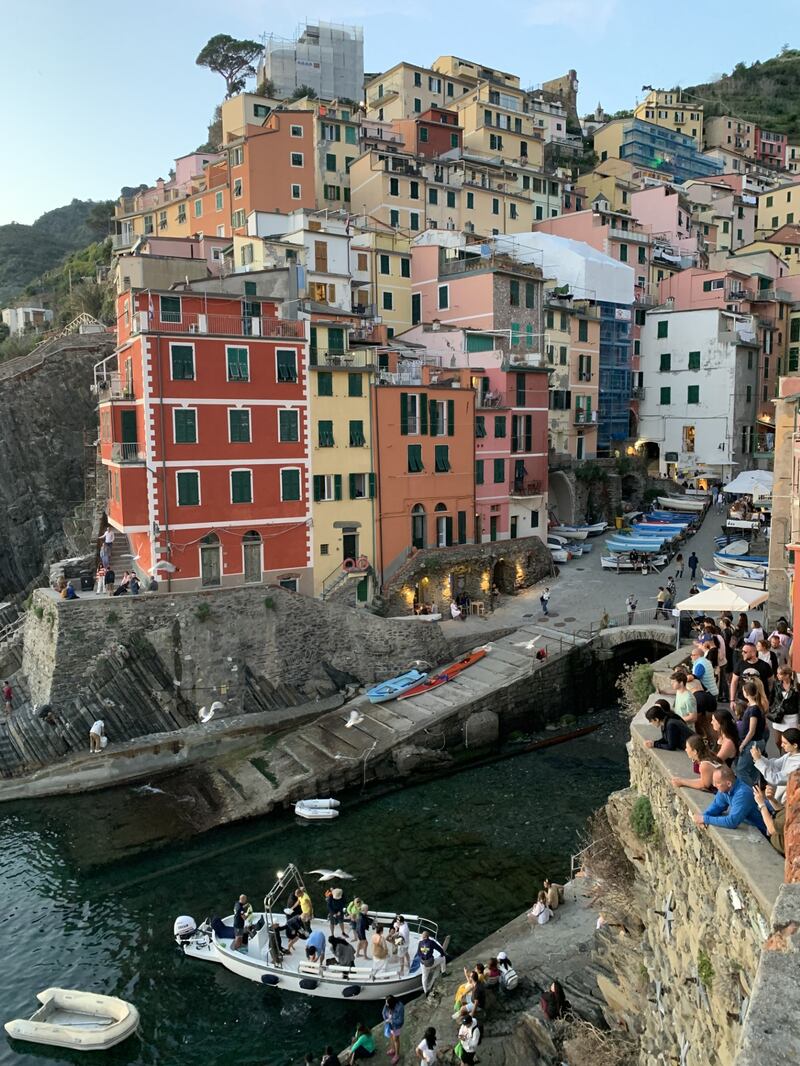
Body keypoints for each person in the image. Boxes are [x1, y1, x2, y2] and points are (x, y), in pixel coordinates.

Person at [693, 766, 767, 834]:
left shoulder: (742, 794)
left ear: (728, 783)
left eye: (717, 783)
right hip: (749, 824)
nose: (714, 785)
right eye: (713, 782)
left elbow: (731, 822)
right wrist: (704, 816)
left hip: (765, 831)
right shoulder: (725, 789)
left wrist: (705, 819)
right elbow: (717, 806)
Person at [749, 728, 800, 803]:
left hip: (787, 801)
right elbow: (774, 764)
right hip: (781, 798)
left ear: (795, 745)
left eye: (785, 743)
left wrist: (759, 761)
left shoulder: (797, 764)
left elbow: (775, 779)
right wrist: (760, 758)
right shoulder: (791, 754)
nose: (782, 745)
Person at [754, 785, 785, 856]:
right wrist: (771, 799)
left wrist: (761, 804)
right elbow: (781, 811)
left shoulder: (796, 811)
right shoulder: (793, 806)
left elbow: (772, 829)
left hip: (782, 854)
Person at [415, 929, 447, 995]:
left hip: (423, 964)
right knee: (443, 958)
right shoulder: (431, 942)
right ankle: (443, 972)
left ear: (423, 937)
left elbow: (418, 953)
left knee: (424, 977)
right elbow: (439, 948)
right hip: (431, 962)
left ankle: (426, 991)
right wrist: (442, 953)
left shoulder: (420, 943)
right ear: (428, 936)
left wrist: (422, 958)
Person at [769, 665, 800, 733]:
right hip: (778, 716)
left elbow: (799, 704)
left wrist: (799, 722)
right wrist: (770, 709)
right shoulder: (776, 684)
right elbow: (771, 697)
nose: (777, 675)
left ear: (787, 675)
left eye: (779, 674)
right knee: (778, 741)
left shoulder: (796, 686)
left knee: (789, 742)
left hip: (792, 718)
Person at [382, 995, 405, 1064]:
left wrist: (391, 1021)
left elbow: (400, 1020)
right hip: (390, 1025)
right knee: (391, 1036)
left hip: (396, 1026)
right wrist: (386, 1019)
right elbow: (383, 1012)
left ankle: (397, 1055)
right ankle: (393, 1049)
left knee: (396, 1039)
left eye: (387, 1003)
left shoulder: (400, 1007)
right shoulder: (388, 1003)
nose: (386, 1004)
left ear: (392, 1003)